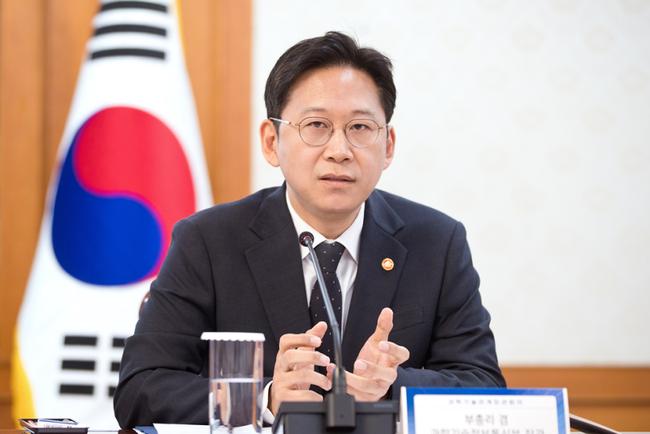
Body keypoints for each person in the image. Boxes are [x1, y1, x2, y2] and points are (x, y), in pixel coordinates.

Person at [114, 31, 505, 427]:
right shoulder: (208, 241)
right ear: (271, 141)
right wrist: (264, 398)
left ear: (387, 145)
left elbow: (484, 385)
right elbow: (140, 389)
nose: (339, 150)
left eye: (360, 127)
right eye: (316, 125)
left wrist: (391, 387)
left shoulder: (436, 243)